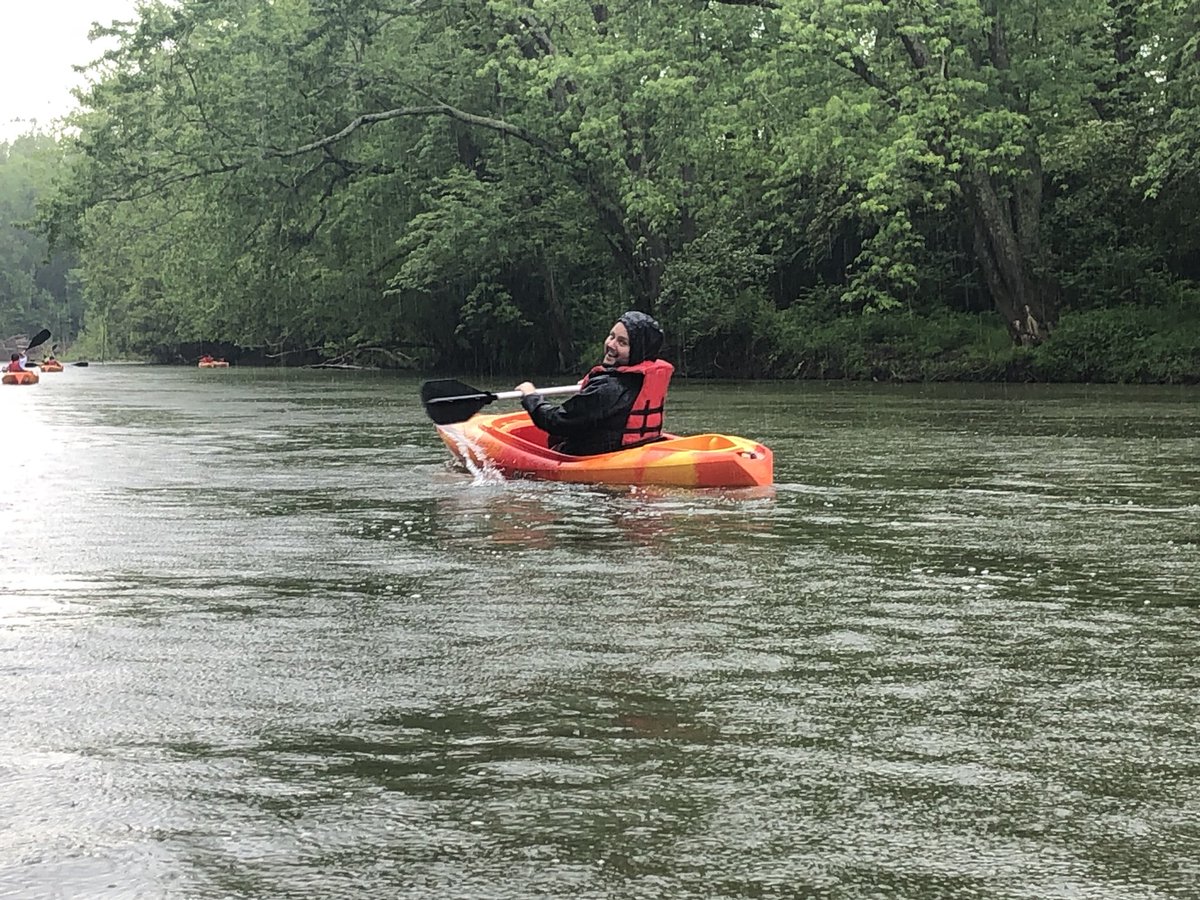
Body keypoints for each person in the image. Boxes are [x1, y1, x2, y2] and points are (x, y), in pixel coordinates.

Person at [516, 311, 673, 456]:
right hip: (634, 450)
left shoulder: (607, 389)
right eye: (612, 336)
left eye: (622, 342)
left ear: (638, 351)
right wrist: (590, 386)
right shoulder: (635, 380)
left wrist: (531, 397)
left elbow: (555, 421)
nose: (611, 344)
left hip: (594, 459)